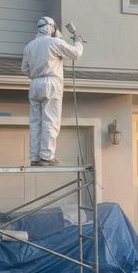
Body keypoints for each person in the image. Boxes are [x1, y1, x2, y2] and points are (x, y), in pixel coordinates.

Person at [21, 16, 84, 166]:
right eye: (54, 27)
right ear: (50, 27)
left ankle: (34, 158)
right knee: (50, 120)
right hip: (51, 83)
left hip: (35, 84)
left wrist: (36, 75)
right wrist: (78, 41)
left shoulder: (29, 46)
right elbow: (75, 53)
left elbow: (24, 69)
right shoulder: (54, 42)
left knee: (36, 122)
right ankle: (47, 156)